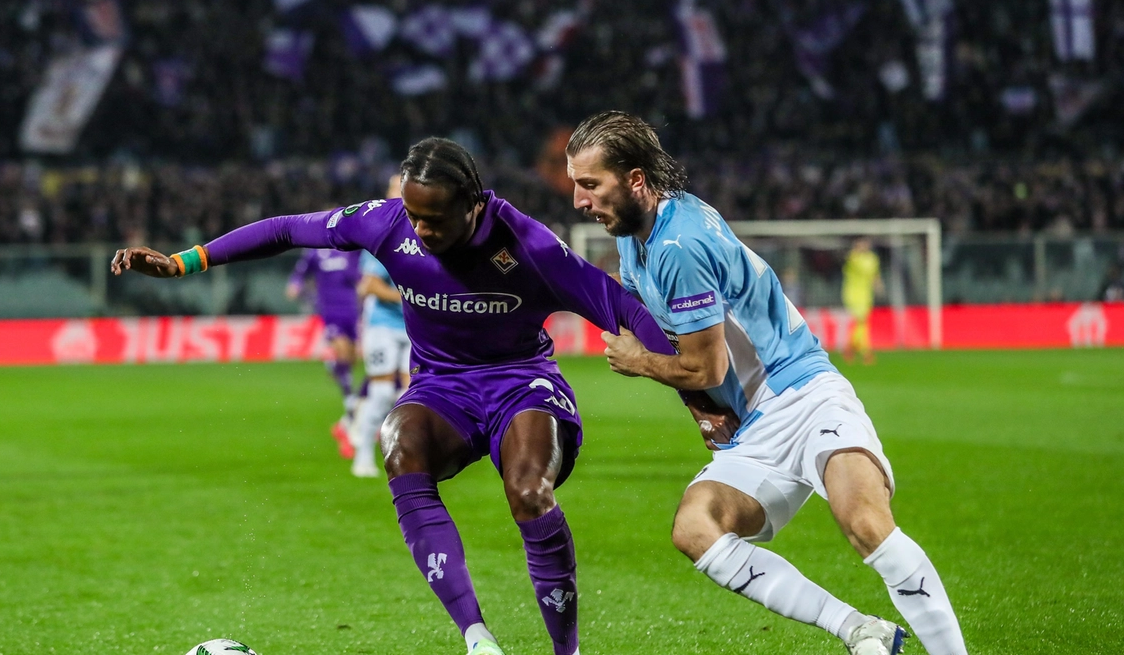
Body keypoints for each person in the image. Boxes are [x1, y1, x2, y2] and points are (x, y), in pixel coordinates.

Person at [111, 137, 693, 655]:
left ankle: (566, 651)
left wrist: (687, 384)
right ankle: (478, 639)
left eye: (436, 219)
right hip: (442, 387)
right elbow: (287, 229)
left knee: (527, 492)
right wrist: (187, 261)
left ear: (475, 204)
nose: (421, 230)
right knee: (399, 449)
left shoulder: (528, 245)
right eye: (414, 215)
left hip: (524, 382)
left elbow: (618, 306)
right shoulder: (386, 223)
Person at [566, 111, 967, 655]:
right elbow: (692, 356)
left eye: (590, 185)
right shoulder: (643, 240)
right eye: (575, 185)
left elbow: (708, 367)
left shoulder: (675, 246)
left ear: (635, 180)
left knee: (866, 523)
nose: (579, 201)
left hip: (803, 393)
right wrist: (702, 407)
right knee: (696, 527)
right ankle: (860, 630)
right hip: (756, 424)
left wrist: (639, 362)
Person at [351, 175, 411, 478]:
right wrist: (409, 298)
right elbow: (369, 285)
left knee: (411, 394)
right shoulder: (381, 235)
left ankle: (403, 456)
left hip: (413, 329)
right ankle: (362, 455)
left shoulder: (423, 234)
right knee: (382, 393)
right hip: (382, 327)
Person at [286, 240, 362, 457]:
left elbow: (360, 273)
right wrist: (296, 284)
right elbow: (301, 272)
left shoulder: (352, 250)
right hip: (331, 311)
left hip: (352, 310)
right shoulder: (316, 252)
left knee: (351, 358)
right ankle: (350, 405)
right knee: (343, 353)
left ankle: (335, 368)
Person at [842, 238, 884, 365]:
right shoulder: (853, 257)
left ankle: (851, 347)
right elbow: (848, 260)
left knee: (862, 322)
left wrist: (878, 285)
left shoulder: (872, 259)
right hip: (852, 292)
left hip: (866, 294)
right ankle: (866, 351)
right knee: (861, 320)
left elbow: (875, 275)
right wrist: (856, 251)